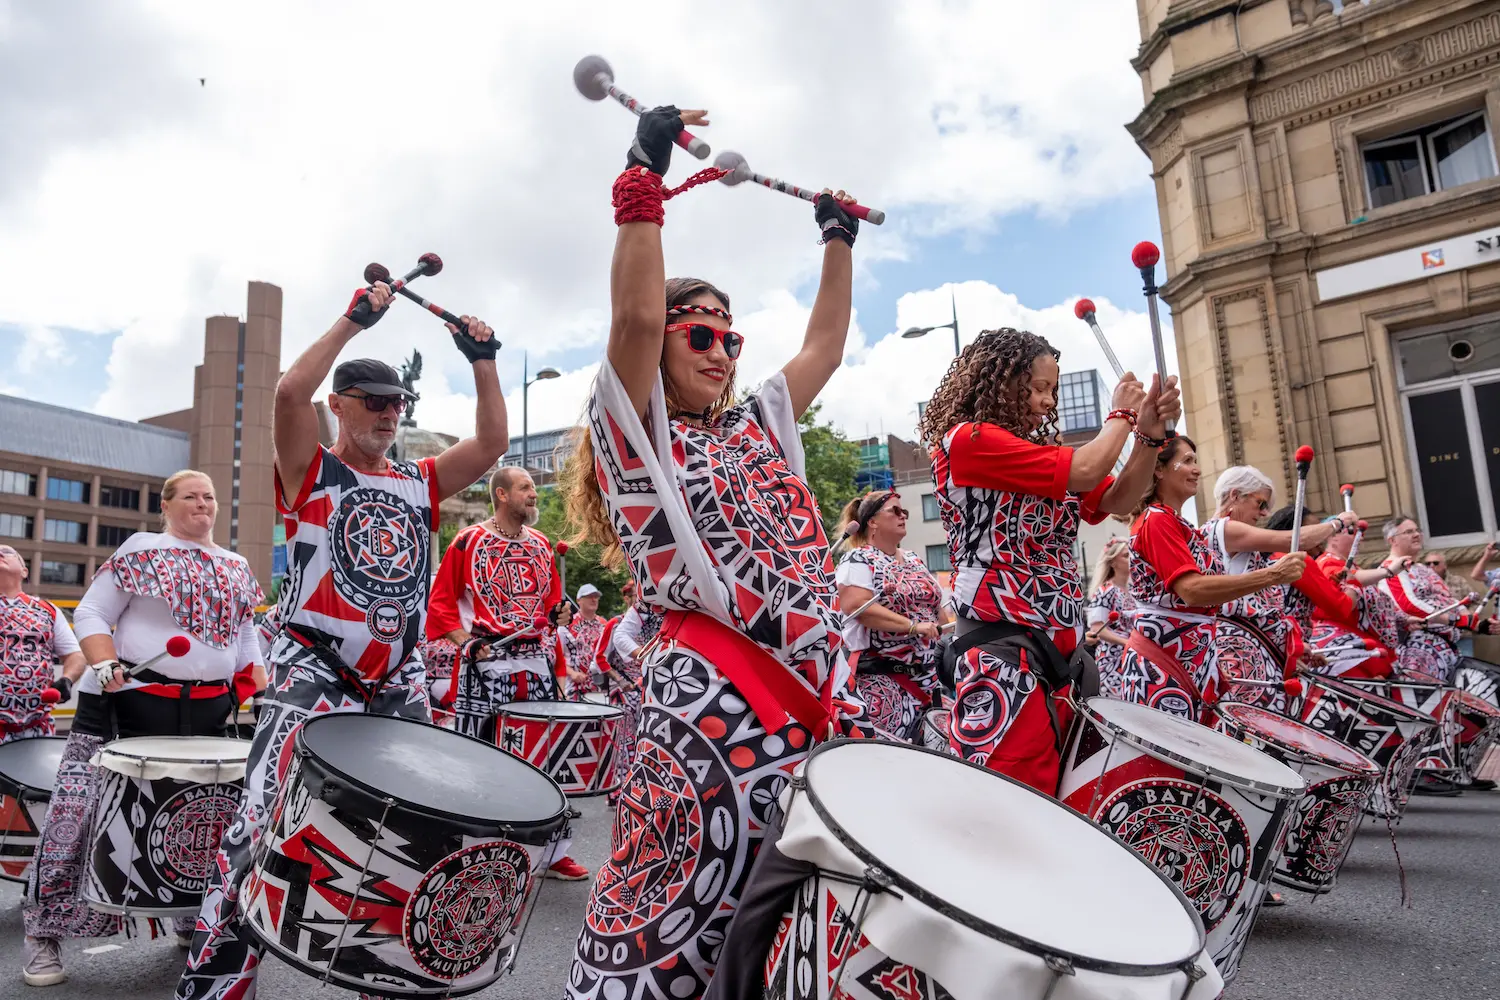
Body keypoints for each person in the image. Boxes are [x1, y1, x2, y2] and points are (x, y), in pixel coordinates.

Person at [558, 103, 864, 1000]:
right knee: (674, 921)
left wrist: (837, 235)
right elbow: (635, 319)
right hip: (703, 712)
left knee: (783, 938)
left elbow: (827, 347)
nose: (722, 350)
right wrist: (642, 178)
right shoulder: (640, 432)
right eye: (701, 333)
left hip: (807, 706)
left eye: (731, 337)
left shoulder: (757, 426)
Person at [176, 281, 506, 1000]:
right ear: (343, 405)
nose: (390, 413)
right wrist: (355, 321)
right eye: (375, 402)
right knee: (261, 825)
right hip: (311, 673)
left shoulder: (420, 482)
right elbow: (290, 392)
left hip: (397, 684)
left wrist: (482, 360)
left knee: (418, 833)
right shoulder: (313, 470)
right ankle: (216, 985)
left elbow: (491, 444)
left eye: (398, 404)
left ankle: (388, 981)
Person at [23, 471, 263, 988]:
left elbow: (245, 635)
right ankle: (44, 936)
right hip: (124, 704)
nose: (203, 503)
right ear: (166, 505)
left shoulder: (237, 565)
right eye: (192, 495)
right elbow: (91, 612)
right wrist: (105, 662)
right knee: (79, 814)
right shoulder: (141, 548)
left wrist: (258, 685)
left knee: (200, 817)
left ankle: (188, 914)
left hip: (206, 711)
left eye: (210, 496)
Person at [915, 326, 1179, 793]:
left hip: (1062, 657)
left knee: (1068, 802)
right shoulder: (969, 440)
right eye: (1037, 388)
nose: (1047, 402)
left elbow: (1119, 499)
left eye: (1052, 390)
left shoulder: (1040, 453)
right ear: (1000, 383)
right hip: (1004, 655)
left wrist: (1148, 438)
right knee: (1012, 805)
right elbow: (1088, 469)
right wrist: (1121, 413)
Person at [424, 465, 589, 882]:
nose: (534, 494)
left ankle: (552, 852)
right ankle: (475, 849)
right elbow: (440, 607)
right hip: (486, 662)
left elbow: (553, 606)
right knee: (480, 758)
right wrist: (467, 643)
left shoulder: (540, 544)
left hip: (535, 663)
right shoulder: (467, 542)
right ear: (501, 495)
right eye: (526, 488)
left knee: (545, 755)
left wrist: (560, 612)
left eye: (533, 488)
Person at [1117, 437, 1306, 721]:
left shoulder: (1177, 523)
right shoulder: (1157, 521)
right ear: (1159, 470)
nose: (1197, 469)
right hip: (1165, 666)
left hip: (1189, 662)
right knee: (1166, 759)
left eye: (1196, 461)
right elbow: (1192, 590)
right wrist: (1273, 574)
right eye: (1188, 461)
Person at [1199, 467, 1355, 711]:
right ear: (1235, 495)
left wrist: (1294, 649)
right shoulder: (1223, 529)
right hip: (1238, 656)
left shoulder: (1233, 536)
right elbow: (1293, 541)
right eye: (1260, 503)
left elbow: (1262, 609)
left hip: (1255, 654)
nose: (1265, 513)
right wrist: (1337, 523)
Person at [834, 489, 950, 739]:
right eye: (895, 511)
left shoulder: (913, 560)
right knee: (888, 763)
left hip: (928, 682)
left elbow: (935, 608)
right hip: (881, 683)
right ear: (872, 521)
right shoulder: (857, 559)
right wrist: (913, 626)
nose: (903, 516)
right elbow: (856, 605)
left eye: (904, 511)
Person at [1379, 515, 1498, 681]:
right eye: (1408, 532)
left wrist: (1478, 625)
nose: (1416, 535)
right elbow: (1408, 606)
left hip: (1449, 650)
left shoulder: (1423, 568)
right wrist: (1459, 621)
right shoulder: (1390, 568)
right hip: (1419, 652)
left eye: (1417, 530)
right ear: (1392, 540)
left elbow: (1449, 600)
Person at [0, 545, 85, 744]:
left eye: (8, 552)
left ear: (24, 571)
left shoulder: (47, 610)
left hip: (38, 725)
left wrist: (67, 679)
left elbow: (74, 654)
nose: (1, 553)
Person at [1085, 538, 1133, 700]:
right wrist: (1128, 643)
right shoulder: (1106, 590)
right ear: (1113, 562)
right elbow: (1098, 628)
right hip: (1112, 662)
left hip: (1131, 658)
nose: (1132, 559)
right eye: (1126, 556)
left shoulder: (1133, 591)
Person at [561, 582, 608, 697]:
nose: (593, 600)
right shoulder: (567, 625)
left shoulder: (604, 624)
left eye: (596, 596)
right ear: (578, 600)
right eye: (589, 596)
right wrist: (572, 673)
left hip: (601, 688)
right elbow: (556, 656)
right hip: (574, 688)